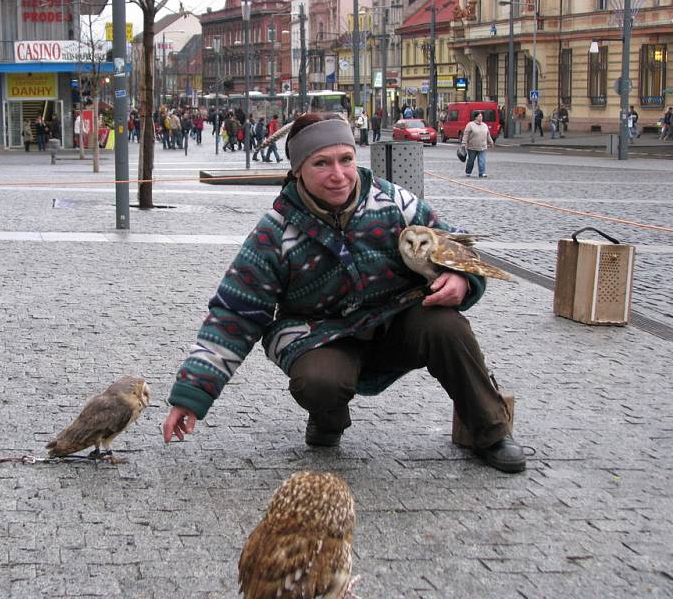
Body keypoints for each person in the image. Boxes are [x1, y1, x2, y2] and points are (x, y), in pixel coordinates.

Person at [161, 112, 526, 474]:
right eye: (322, 163)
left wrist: (461, 278)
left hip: (397, 321)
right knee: (319, 382)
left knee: (448, 328)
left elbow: (457, 247)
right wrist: (192, 396)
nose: (338, 175)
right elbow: (233, 314)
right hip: (322, 336)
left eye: (346, 159)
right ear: (298, 169)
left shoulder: (395, 203)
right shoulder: (274, 233)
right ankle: (328, 417)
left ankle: (491, 431)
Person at [462, 111, 494, 178]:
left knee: (482, 160)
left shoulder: (484, 125)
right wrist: (464, 143)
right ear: (475, 117)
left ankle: (482, 173)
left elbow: (488, 135)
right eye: (479, 116)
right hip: (472, 147)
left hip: (483, 147)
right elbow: (466, 134)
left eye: (481, 116)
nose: (481, 117)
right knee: (471, 160)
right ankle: (468, 172)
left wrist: (491, 142)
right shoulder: (470, 125)